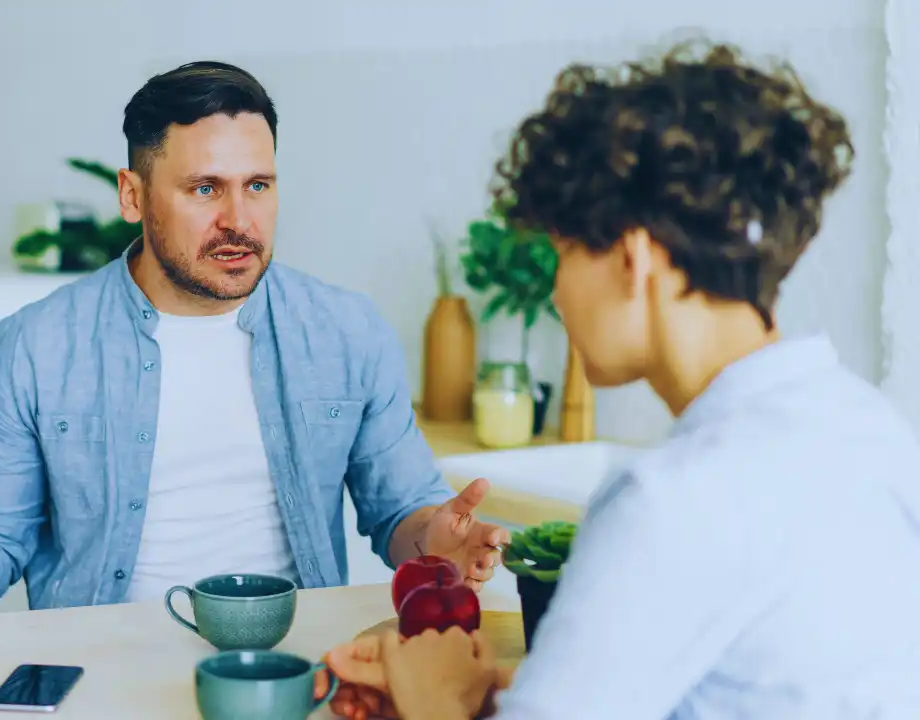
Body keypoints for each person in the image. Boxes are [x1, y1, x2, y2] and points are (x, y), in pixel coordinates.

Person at [0, 61, 510, 624]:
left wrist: (436, 535)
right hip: (98, 670)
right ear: (133, 195)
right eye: (205, 189)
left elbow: (400, 513)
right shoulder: (38, 346)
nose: (239, 220)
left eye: (259, 186)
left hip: (293, 666)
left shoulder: (346, 332)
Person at [320, 40, 920, 719]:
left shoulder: (671, 498)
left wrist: (430, 698)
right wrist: (479, 699)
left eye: (563, 253)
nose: (555, 292)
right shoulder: (870, 428)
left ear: (633, 259)